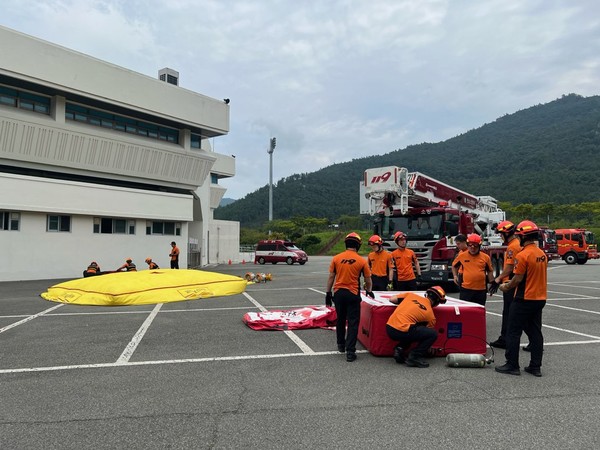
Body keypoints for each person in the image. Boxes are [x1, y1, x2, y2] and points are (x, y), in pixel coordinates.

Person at [496, 220, 548, 377]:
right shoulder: (542, 254)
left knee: (513, 332)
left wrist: (506, 286)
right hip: (540, 298)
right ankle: (535, 366)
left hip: (524, 298)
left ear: (523, 237)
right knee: (535, 332)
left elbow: (517, 279)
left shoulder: (522, 255)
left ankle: (512, 365)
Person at [325, 232, 374, 362]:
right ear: (358, 245)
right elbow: (368, 280)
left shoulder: (336, 258)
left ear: (346, 244)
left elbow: (331, 277)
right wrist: (369, 290)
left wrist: (328, 293)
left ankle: (341, 345)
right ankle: (350, 352)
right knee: (353, 322)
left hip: (339, 293)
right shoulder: (361, 261)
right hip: (352, 294)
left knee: (340, 319)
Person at [385, 286, 446, 368]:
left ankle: (400, 349)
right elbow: (426, 335)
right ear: (437, 301)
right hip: (403, 330)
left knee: (412, 329)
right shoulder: (430, 316)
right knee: (432, 334)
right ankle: (415, 357)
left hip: (390, 327)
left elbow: (392, 299)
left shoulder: (411, 296)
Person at [489, 221, 522, 349]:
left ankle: (505, 339)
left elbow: (509, 268)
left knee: (508, 313)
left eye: (501, 234)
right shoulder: (517, 244)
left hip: (510, 283)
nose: (501, 237)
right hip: (514, 283)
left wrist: (498, 279)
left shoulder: (512, 247)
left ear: (507, 233)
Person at [451, 233, 494, 305]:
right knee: (465, 312)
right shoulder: (462, 256)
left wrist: (491, 284)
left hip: (481, 290)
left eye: (475, 246)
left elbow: (489, 271)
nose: (472, 248)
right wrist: (455, 276)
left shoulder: (485, 257)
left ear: (479, 246)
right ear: (467, 245)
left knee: (479, 311)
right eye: (470, 246)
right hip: (466, 289)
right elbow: (454, 266)